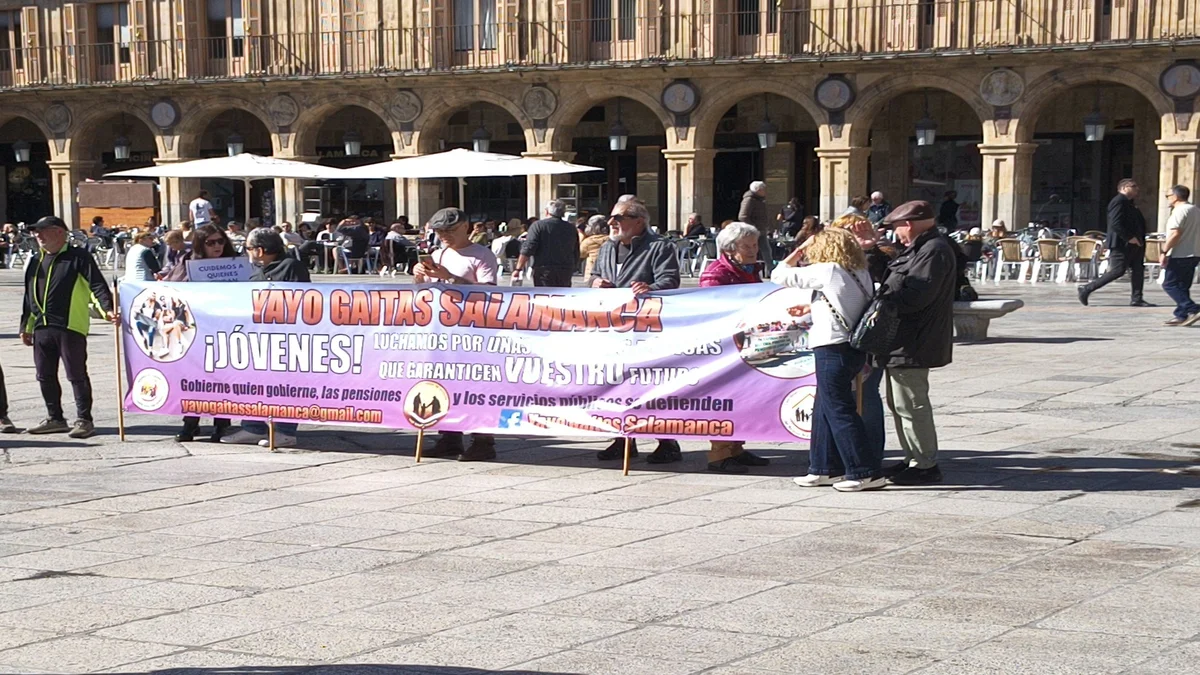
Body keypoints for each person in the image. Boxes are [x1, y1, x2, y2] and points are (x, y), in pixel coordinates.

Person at [774, 228, 880, 491]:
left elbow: (779, 275)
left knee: (838, 408)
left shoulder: (829, 270)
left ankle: (864, 470)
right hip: (852, 346)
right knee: (823, 407)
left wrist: (797, 250)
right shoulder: (860, 272)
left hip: (833, 346)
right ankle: (823, 467)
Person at [591, 196, 682, 464]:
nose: (611, 223)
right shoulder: (608, 247)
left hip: (646, 328)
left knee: (650, 385)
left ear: (639, 222)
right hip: (615, 327)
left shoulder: (659, 247)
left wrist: (650, 288)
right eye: (611, 218)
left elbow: (670, 279)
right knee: (617, 384)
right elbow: (594, 274)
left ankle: (667, 442)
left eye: (618, 218)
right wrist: (597, 282)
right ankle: (622, 439)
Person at [878, 201, 957, 485]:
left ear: (908, 224)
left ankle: (925, 464)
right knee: (900, 403)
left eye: (897, 228)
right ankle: (913, 458)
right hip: (906, 340)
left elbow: (916, 296)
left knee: (912, 403)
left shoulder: (933, 250)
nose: (896, 235)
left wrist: (882, 299)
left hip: (914, 341)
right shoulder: (922, 248)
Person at [19, 216, 117, 439]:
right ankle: (55, 418)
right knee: (44, 374)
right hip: (42, 327)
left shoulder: (78, 257)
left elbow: (97, 286)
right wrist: (26, 325)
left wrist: (107, 309)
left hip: (69, 325)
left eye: (43, 231)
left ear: (60, 233)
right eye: (36, 232)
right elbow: (29, 296)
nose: (38, 235)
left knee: (76, 374)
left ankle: (84, 419)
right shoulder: (35, 260)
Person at [417, 208, 500, 462]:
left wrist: (450, 278)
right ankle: (450, 436)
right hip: (444, 329)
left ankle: (483, 440)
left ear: (465, 226)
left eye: (448, 231)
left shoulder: (481, 255)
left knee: (476, 386)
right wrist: (419, 278)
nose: (443, 236)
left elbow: (489, 292)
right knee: (445, 382)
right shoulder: (439, 253)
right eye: (439, 232)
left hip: (474, 330)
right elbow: (425, 292)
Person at [221, 229, 310, 449]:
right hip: (258, 337)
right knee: (255, 383)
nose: (247, 252)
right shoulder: (255, 271)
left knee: (287, 386)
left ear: (260, 250)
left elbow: (303, 300)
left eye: (249, 248)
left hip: (287, 338)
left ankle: (285, 430)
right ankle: (253, 427)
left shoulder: (290, 266)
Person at [699, 222, 771, 475]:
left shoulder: (749, 269)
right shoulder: (716, 274)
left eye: (754, 245)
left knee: (743, 397)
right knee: (724, 398)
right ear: (730, 249)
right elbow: (712, 308)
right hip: (726, 346)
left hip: (748, 342)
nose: (753, 250)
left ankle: (736, 448)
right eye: (747, 246)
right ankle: (719, 454)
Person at [162, 224, 235, 440]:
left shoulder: (234, 262)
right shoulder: (188, 261)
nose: (217, 246)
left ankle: (222, 424)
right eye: (211, 242)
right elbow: (172, 289)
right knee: (194, 377)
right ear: (200, 244)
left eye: (220, 241)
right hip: (195, 329)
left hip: (225, 328)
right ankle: (190, 423)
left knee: (223, 378)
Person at [1079, 179, 1152, 307]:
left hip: (1135, 244)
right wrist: (1129, 237)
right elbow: (1115, 223)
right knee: (1118, 270)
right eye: (1134, 186)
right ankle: (1087, 288)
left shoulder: (1129, 203)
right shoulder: (1119, 201)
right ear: (1124, 188)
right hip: (1122, 244)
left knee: (1138, 270)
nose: (1137, 189)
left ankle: (1137, 298)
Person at [514, 200, 580, 287]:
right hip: (565, 269)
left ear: (547, 211)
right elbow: (576, 250)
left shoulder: (538, 225)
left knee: (544, 297)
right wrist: (574, 266)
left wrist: (518, 268)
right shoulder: (571, 228)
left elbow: (528, 248)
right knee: (562, 296)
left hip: (544, 269)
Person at [1161, 184, 1200, 326]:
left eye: (1168, 196)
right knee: (1183, 286)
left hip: (1181, 253)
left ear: (1176, 196)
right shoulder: (1195, 210)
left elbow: (1175, 233)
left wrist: (1164, 251)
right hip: (1194, 252)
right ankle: (1181, 314)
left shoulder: (1179, 211)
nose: (1167, 199)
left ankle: (1193, 308)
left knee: (1169, 284)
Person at [738, 180, 772, 272]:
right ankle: (749, 269)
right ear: (758, 190)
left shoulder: (759, 200)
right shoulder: (749, 199)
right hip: (753, 231)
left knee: (766, 251)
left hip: (761, 230)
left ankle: (770, 270)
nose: (765, 191)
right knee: (752, 250)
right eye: (763, 189)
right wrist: (753, 228)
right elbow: (743, 216)